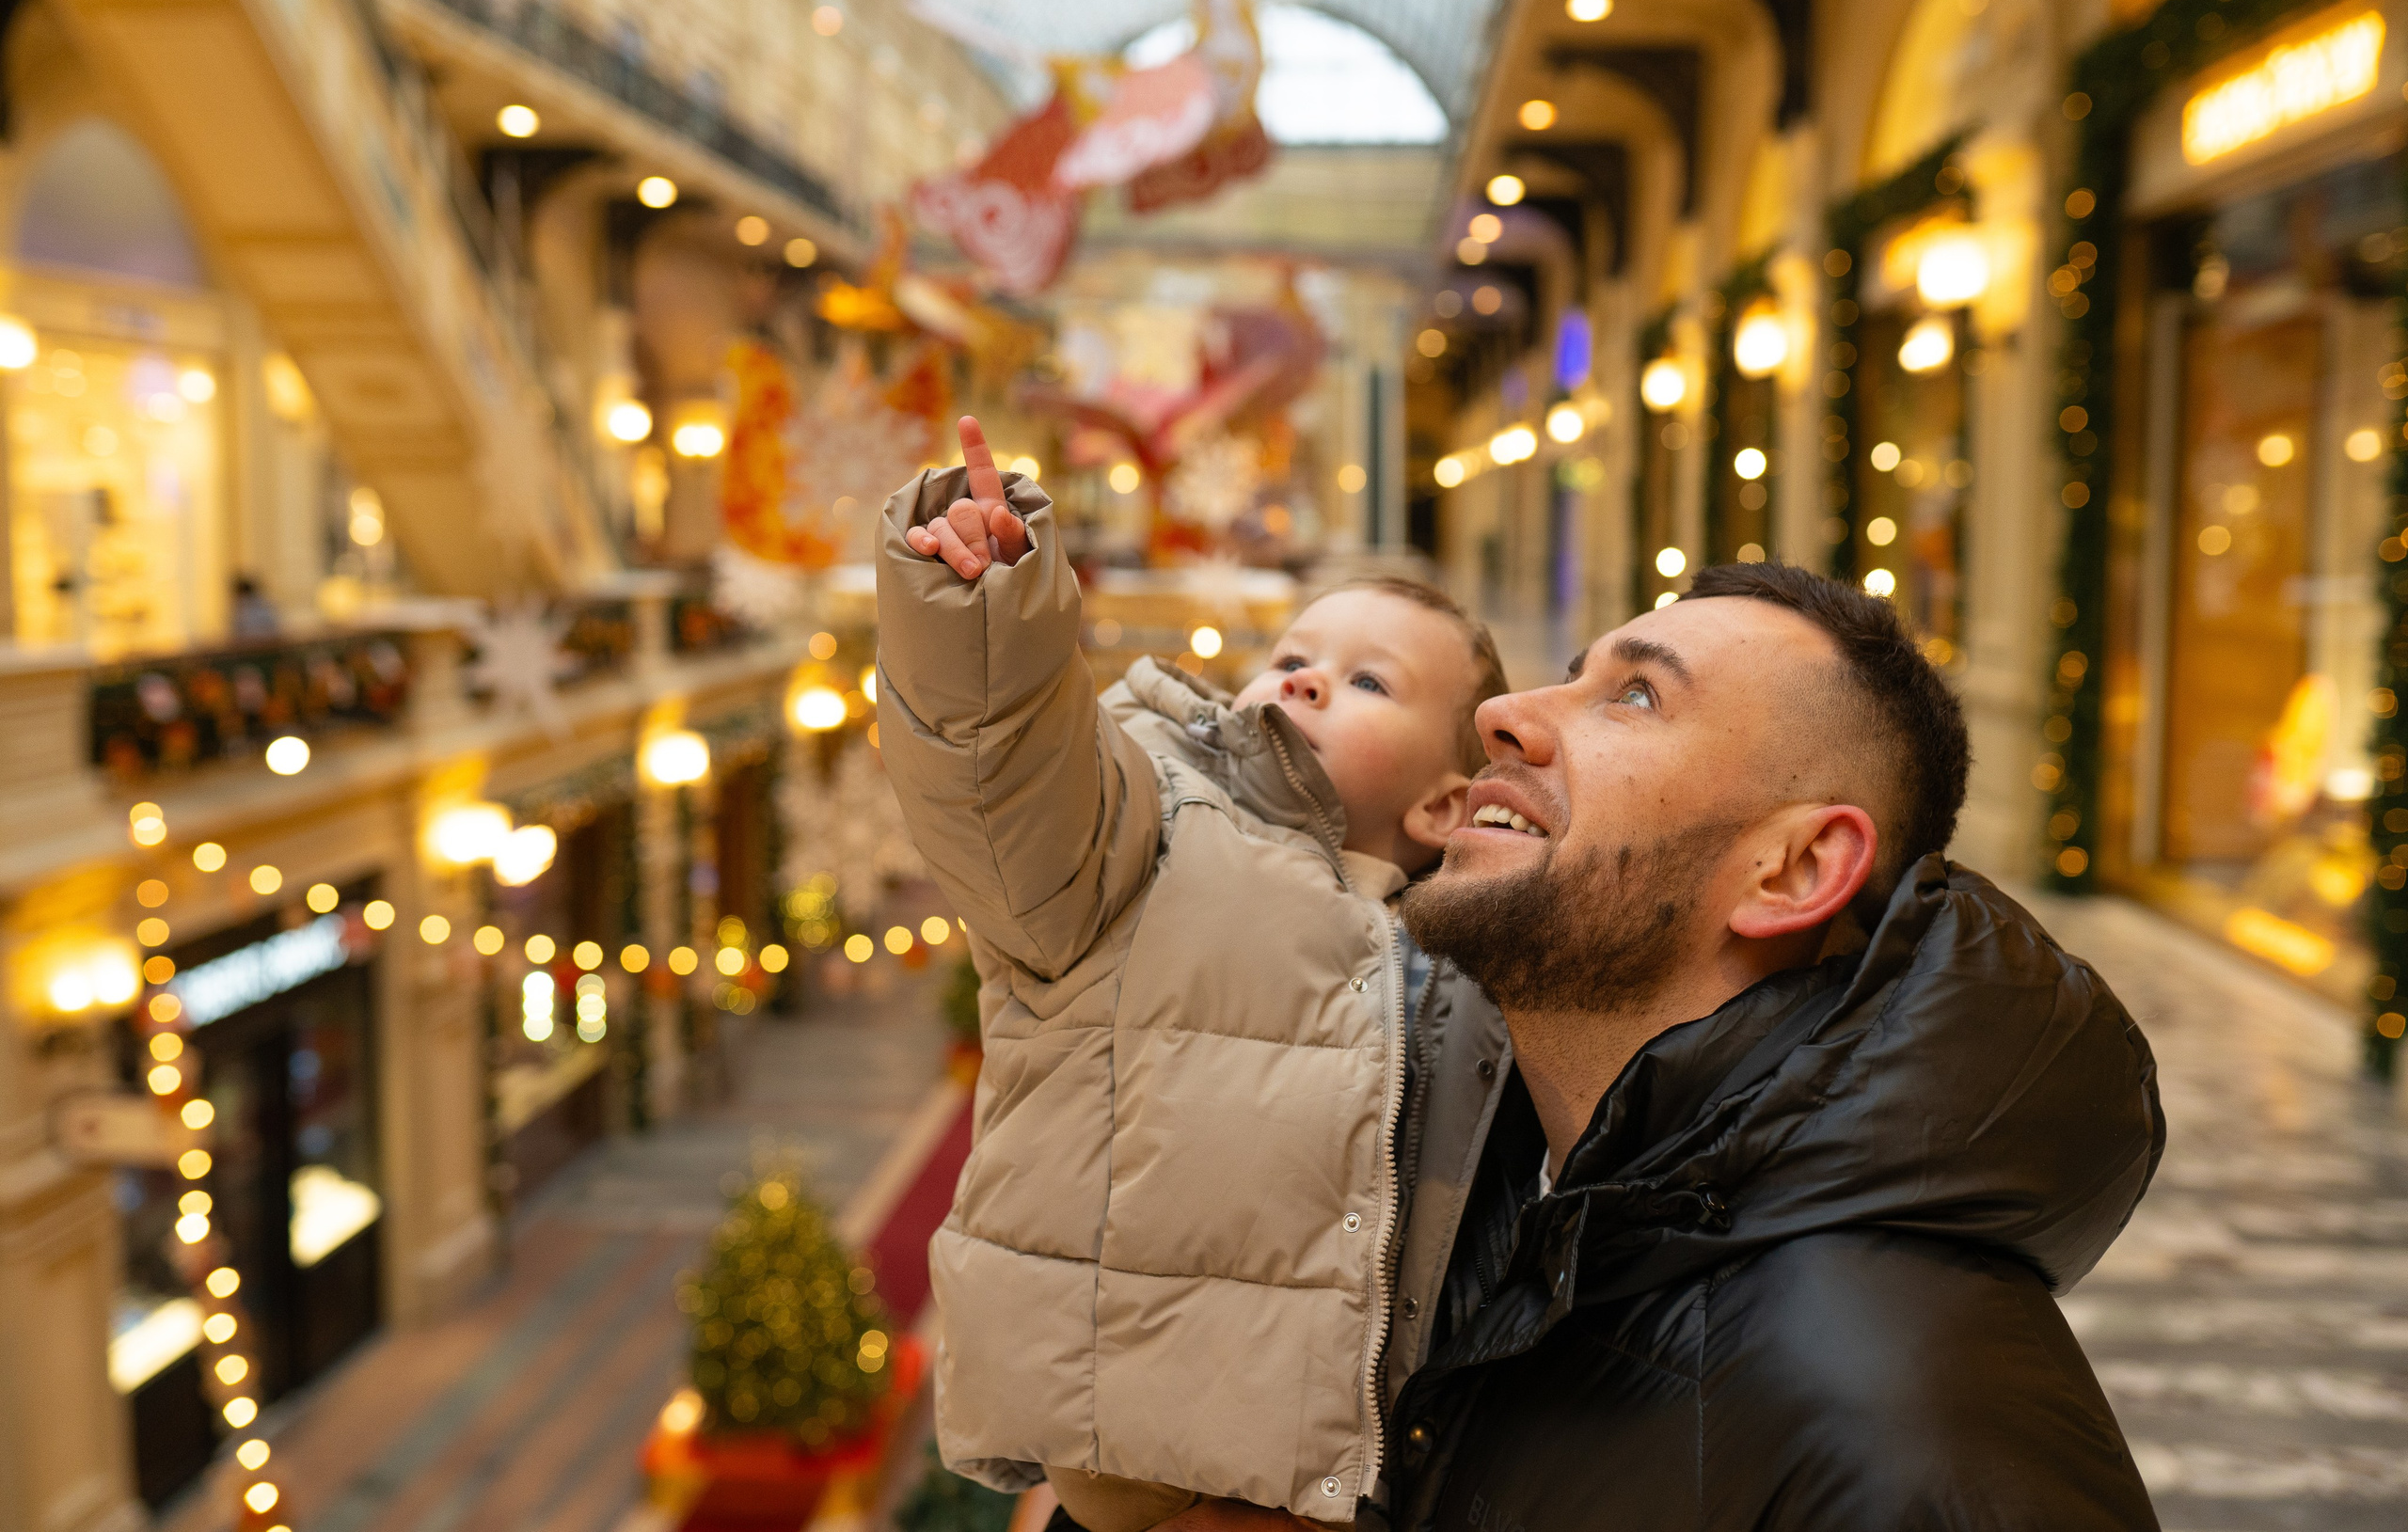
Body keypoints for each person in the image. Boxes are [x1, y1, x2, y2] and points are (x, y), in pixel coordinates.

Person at [1383, 561, 2165, 1531]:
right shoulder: (1481, 1198)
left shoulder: (1910, 1426)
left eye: (1634, 695)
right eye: (1574, 673)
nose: (1503, 711)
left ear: (1793, 871)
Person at [878, 418, 1515, 1531]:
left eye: (1368, 681)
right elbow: (1006, 774)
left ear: (1443, 807)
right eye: (1291, 659)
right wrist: (987, 617)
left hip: (1344, 1462)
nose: (1310, 682)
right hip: (1132, 1427)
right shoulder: (1151, 818)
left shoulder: (1463, 953)